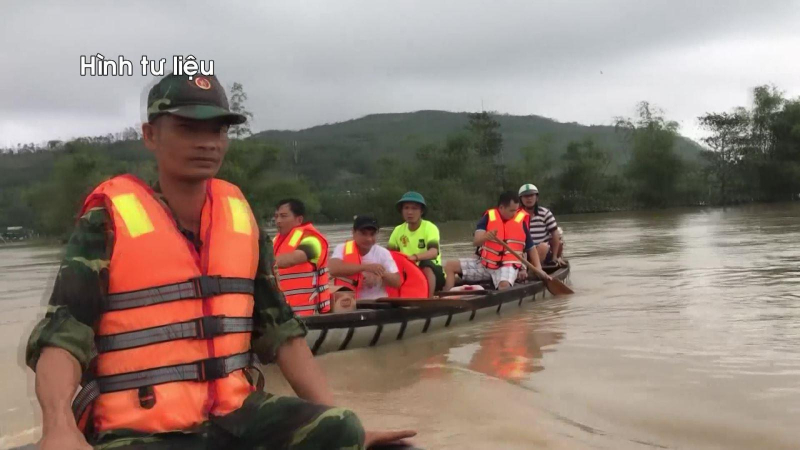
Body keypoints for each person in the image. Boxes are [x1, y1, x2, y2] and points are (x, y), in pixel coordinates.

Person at [25, 73, 413, 450]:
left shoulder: (239, 218)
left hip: (236, 417)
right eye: (188, 128)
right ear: (150, 135)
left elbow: (281, 331)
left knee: (341, 427)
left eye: (218, 130)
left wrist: (336, 417)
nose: (208, 143)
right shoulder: (107, 220)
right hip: (141, 428)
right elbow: (62, 338)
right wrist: (59, 429)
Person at [443, 191, 551, 291]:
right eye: (512, 210)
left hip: (507, 266)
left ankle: (502, 299)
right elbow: (476, 242)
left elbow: (531, 248)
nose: (515, 214)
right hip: (485, 265)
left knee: (504, 285)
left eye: (516, 210)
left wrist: (538, 268)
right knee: (450, 265)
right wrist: (486, 237)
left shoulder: (520, 221)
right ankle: (446, 295)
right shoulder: (488, 218)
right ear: (501, 207)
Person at [273, 198, 331, 316]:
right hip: (284, 314)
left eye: (283, 216)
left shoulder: (313, 239)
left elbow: (294, 259)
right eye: (276, 216)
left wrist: (259, 262)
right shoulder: (275, 241)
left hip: (309, 313)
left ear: (299, 219)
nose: (278, 221)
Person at [330, 215, 402, 300]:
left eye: (372, 234)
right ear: (353, 232)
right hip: (349, 302)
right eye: (363, 234)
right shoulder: (341, 248)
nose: (368, 239)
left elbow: (397, 282)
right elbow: (333, 269)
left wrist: (379, 275)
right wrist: (366, 268)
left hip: (376, 303)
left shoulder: (383, 253)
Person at [388, 191, 444, 297]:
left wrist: (414, 257)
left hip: (432, 273)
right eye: (406, 208)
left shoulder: (430, 227)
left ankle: (428, 300)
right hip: (408, 271)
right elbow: (389, 255)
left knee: (425, 264)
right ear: (402, 210)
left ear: (421, 211)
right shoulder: (397, 230)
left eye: (414, 208)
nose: (410, 212)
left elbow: (433, 252)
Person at [518, 183, 565, 266]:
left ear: (537, 197)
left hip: (543, 251)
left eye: (531, 195)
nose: (529, 198)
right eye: (525, 196)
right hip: (523, 252)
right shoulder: (516, 215)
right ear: (521, 199)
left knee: (544, 246)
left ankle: (534, 268)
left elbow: (554, 234)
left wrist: (554, 257)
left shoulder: (545, 213)